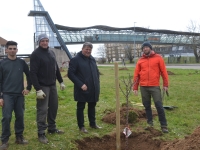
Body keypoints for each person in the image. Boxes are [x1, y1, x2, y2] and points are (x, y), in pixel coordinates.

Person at [30, 33, 66, 144]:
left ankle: (52, 128)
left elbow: (56, 68)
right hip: (42, 86)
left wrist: (61, 81)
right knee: (43, 109)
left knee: (54, 107)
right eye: (42, 41)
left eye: (46, 40)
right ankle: (41, 133)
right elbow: (33, 73)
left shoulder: (51, 52)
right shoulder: (35, 54)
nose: (45, 43)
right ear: (39, 42)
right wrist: (38, 89)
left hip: (52, 85)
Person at [0, 41, 32, 150]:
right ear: (6, 50)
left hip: (19, 94)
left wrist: (28, 88)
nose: (12, 50)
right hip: (7, 95)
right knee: (7, 117)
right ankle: (4, 140)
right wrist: (0, 97)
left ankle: (19, 137)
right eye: (10, 48)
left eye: (14, 48)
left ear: (17, 50)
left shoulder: (21, 63)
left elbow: (29, 75)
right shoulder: (2, 63)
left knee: (20, 116)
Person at [132, 41, 169, 133]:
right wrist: (135, 87)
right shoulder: (140, 60)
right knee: (147, 106)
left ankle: (163, 125)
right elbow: (136, 75)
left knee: (159, 106)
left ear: (150, 48)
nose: (145, 49)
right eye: (143, 48)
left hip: (154, 86)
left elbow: (164, 72)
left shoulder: (158, 58)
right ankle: (150, 123)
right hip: (143, 87)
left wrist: (165, 84)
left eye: (147, 47)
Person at [68, 42, 101, 133]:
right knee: (81, 107)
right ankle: (81, 126)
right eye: (86, 49)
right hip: (82, 88)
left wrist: (97, 83)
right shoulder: (75, 59)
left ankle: (92, 123)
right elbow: (70, 74)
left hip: (93, 87)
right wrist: (80, 84)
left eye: (90, 50)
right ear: (82, 49)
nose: (88, 51)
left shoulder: (92, 59)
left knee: (92, 106)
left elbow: (96, 72)